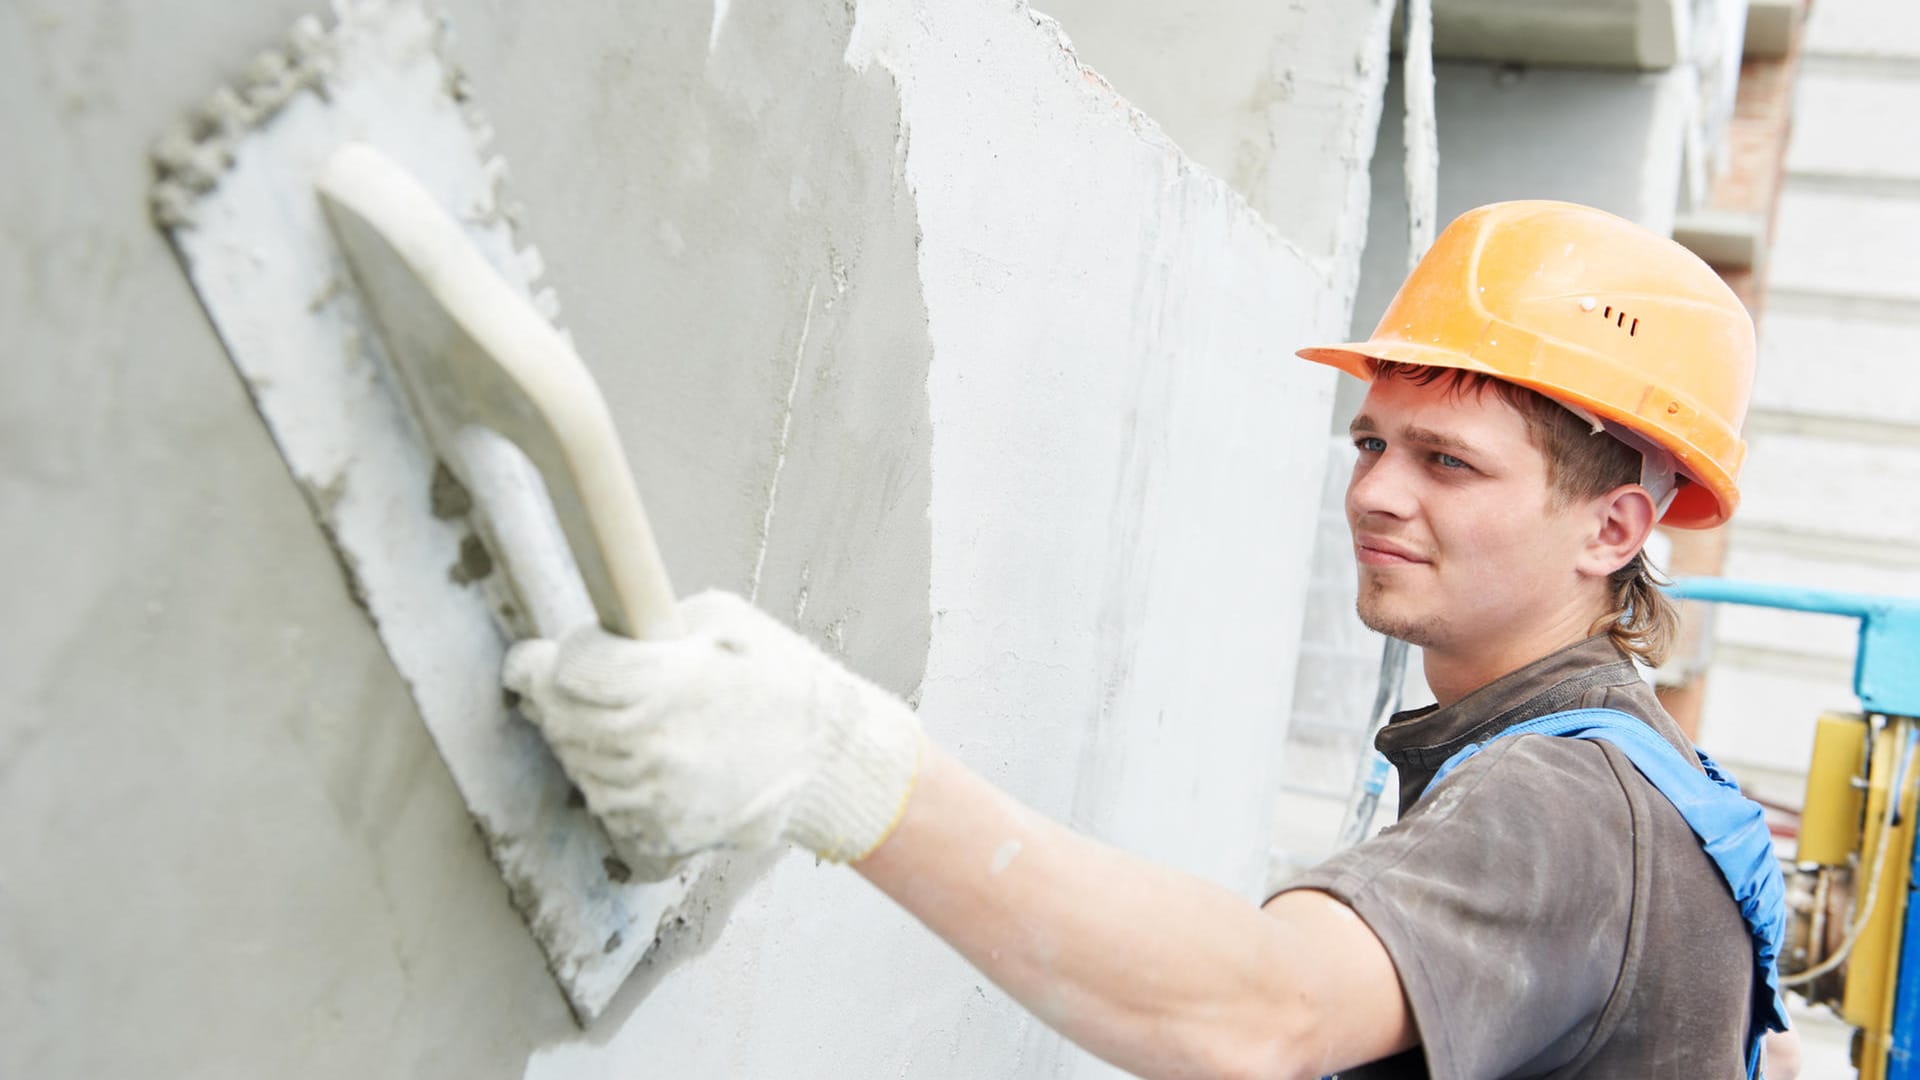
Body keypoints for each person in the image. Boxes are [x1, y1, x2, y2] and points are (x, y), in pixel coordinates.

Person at [504, 201, 1786, 1078]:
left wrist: (840, 763)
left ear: (1614, 527)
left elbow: (1263, 1013)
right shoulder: (1602, 772)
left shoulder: (1565, 807)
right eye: (1372, 442)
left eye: (1448, 462)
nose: (1378, 492)